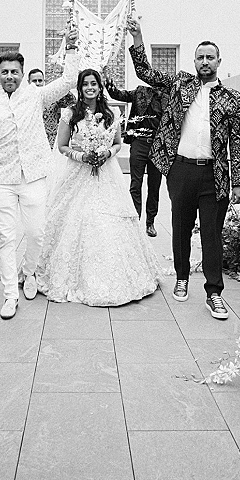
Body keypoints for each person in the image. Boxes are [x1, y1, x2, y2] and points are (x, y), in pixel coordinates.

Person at [127, 18, 240, 320]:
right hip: (180, 170)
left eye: (210, 57)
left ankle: (214, 293)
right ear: (194, 61)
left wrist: (239, 182)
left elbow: (238, 141)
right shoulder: (180, 84)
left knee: (211, 235)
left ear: (219, 61)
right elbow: (145, 72)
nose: (205, 61)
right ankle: (182, 277)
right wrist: (139, 36)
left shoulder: (234, 99)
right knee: (180, 228)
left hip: (214, 176)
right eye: (200, 57)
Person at [0, 24, 78, 320]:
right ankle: (9, 294)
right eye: (4, 72)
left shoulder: (35, 95)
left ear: (21, 72)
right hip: (0, 180)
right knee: (6, 237)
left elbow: (69, 80)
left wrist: (70, 48)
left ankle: (29, 272)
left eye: (14, 72)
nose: (9, 77)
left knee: (36, 232)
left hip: (33, 177)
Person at [36, 68, 161, 305]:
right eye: (86, 84)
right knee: (75, 219)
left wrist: (106, 153)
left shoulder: (111, 113)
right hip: (78, 173)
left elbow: (117, 144)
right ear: (80, 88)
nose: (90, 88)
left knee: (110, 220)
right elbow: (62, 146)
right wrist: (82, 157)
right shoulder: (70, 114)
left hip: (106, 174)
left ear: (99, 86)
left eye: (94, 83)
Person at [104, 75, 164, 237]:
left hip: (158, 146)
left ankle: (150, 222)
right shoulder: (140, 92)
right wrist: (110, 85)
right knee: (135, 183)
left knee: (154, 186)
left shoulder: (169, 97)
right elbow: (119, 95)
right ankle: (135, 221)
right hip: (139, 142)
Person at [28, 67, 76, 146]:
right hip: (33, 141)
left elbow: (72, 101)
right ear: (28, 82)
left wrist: (61, 87)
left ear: (44, 81)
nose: (37, 83)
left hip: (50, 141)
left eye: (40, 80)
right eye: (34, 81)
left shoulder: (52, 97)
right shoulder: (25, 99)